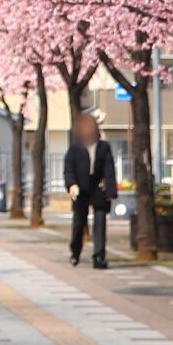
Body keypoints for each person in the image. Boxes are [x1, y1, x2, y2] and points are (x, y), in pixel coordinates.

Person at [64, 111, 117, 268]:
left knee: (100, 221)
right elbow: (68, 168)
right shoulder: (75, 148)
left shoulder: (103, 147)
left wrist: (110, 192)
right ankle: (75, 251)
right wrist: (71, 184)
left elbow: (109, 169)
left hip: (97, 187)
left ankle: (99, 256)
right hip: (80, 188)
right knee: (79, 221)